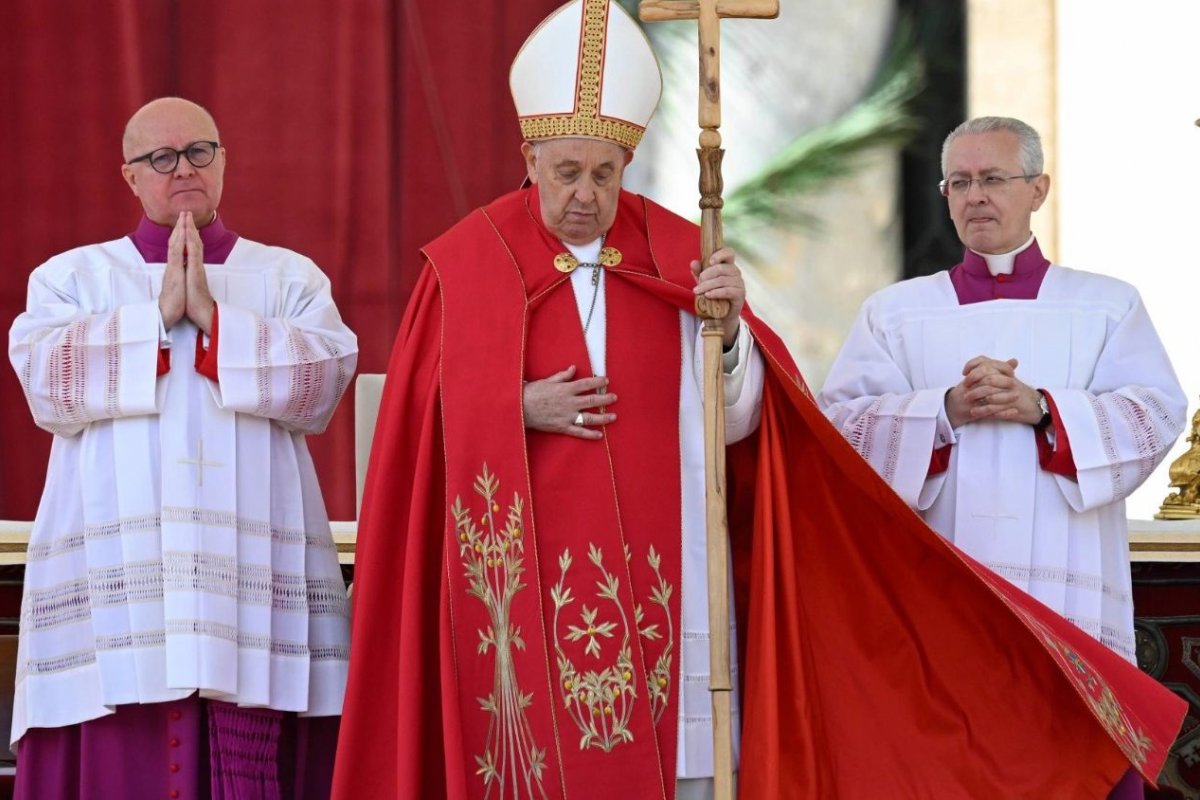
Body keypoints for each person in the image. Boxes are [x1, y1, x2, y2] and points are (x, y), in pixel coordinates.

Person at [335, 5, 1185, 798]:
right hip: (521, 614)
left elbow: (746, 423)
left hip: (665, 592)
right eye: (564, 173)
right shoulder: (467, 264)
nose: (584, 194)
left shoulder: (679, 251)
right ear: (528, 161)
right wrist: (514, 406)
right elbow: (416, 423)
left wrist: (732, 334)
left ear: (628, 164)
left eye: (603, 172)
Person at [819, 115, 1187, 799]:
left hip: (1066, 601)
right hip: (941, 597)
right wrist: (943, 411)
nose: (975, 196)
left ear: (1038, 188)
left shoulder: (1105, 305)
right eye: (959, 182)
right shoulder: (894, 314)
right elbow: (840, 430)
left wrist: (1043, 408)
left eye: (992, 178)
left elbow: (1156, 412)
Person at [8, 97, 358, 800]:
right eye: (161, 159)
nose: (184, 170)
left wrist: (215, 322)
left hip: (247, 572)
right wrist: (156, 320)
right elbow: (46, 384)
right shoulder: (72, 278)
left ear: (224, 161)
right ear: (130, 177)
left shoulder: (289, 278)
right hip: (121, 571)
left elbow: (323, 382)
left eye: (200, 151)